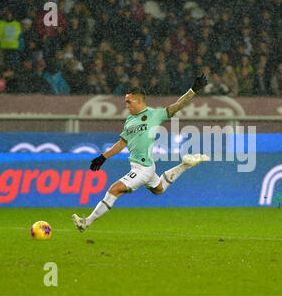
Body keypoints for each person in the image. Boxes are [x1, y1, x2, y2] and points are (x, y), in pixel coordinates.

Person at [72, 75, 209, 232]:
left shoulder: (154, 115)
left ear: (138, 101)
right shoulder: (129, 121)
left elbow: (178, 105)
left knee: (114, 190)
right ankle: (185, 165)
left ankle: (86, 222)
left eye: (128, 101)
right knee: (159, 189)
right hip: (144, 166)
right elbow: (122, 143)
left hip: (142, 168)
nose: (126, 105)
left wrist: (193, 90)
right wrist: (103, 157)